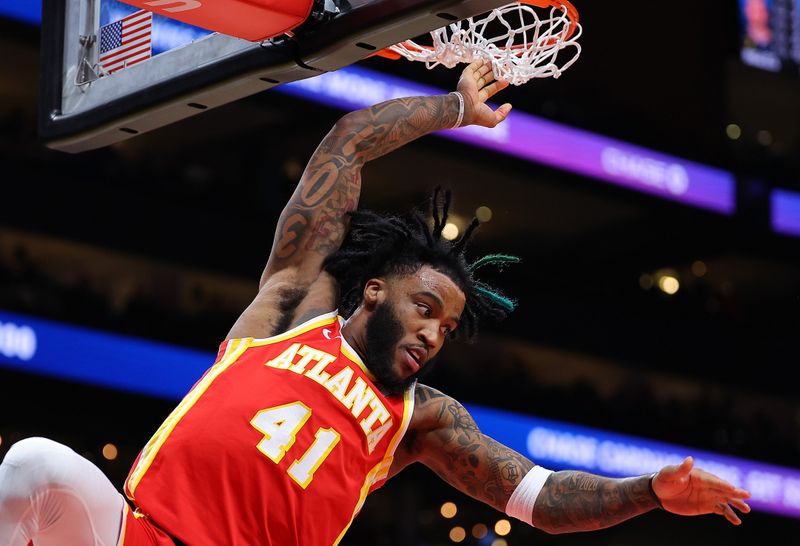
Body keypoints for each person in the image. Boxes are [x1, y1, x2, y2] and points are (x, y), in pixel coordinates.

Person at [0, 60, 751, 546]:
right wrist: (453, 108)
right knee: (34, 465)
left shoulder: (421, 418)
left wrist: (650, 490)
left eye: (450, 327)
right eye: (427, 307)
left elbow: (545, 497)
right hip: (137, 532)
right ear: (374, 288)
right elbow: (345, 147)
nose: (435, 332)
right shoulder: (293, 306)